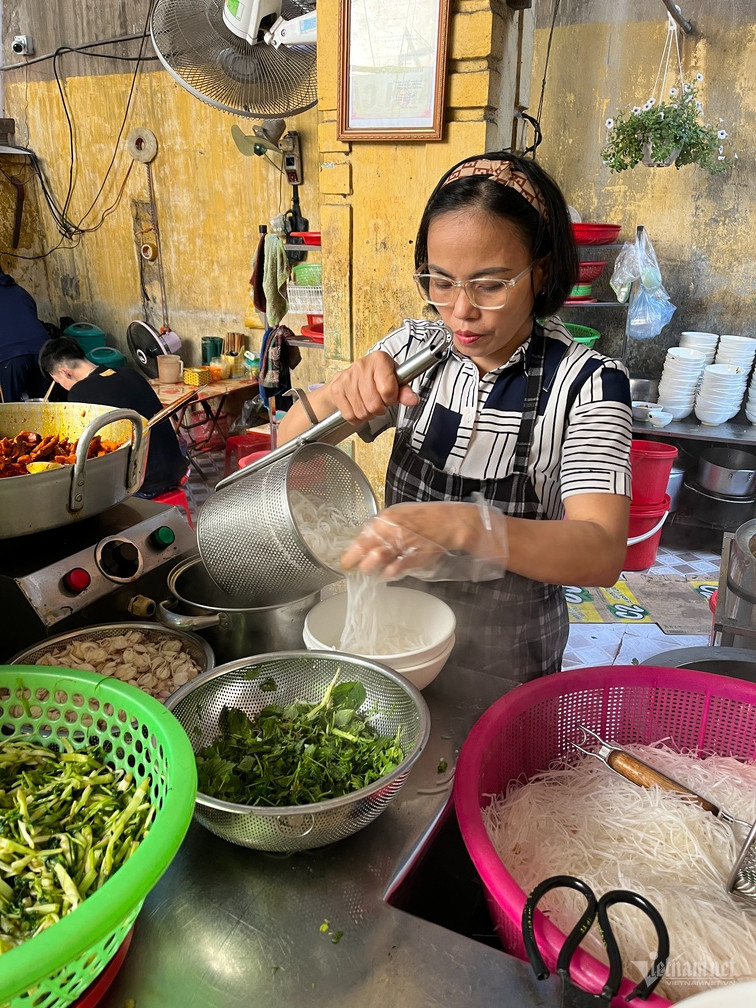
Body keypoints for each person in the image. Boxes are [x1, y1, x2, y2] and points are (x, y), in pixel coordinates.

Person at [278, 151, 632, 684]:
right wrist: (338, 394)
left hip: (510, 658)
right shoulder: (414, 352)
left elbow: (601, 552)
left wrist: (467, 525)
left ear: (539, 271)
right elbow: (288, 446)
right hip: (396, 643)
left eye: (489, 284)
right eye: (441, 282)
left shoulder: (587, 384)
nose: (461, 311)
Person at [38, 336, 188, 498]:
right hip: (177, 468)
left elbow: (83, 447)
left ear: (64, 373)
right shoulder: (130, 373)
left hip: (143, 483)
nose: (62, 387)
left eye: (58, 381)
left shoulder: (80, 392)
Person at [0, 267, 52, 401]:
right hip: (44, 351)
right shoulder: (20, 292)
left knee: (10, 414)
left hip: (10, 357)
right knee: (44, 408)